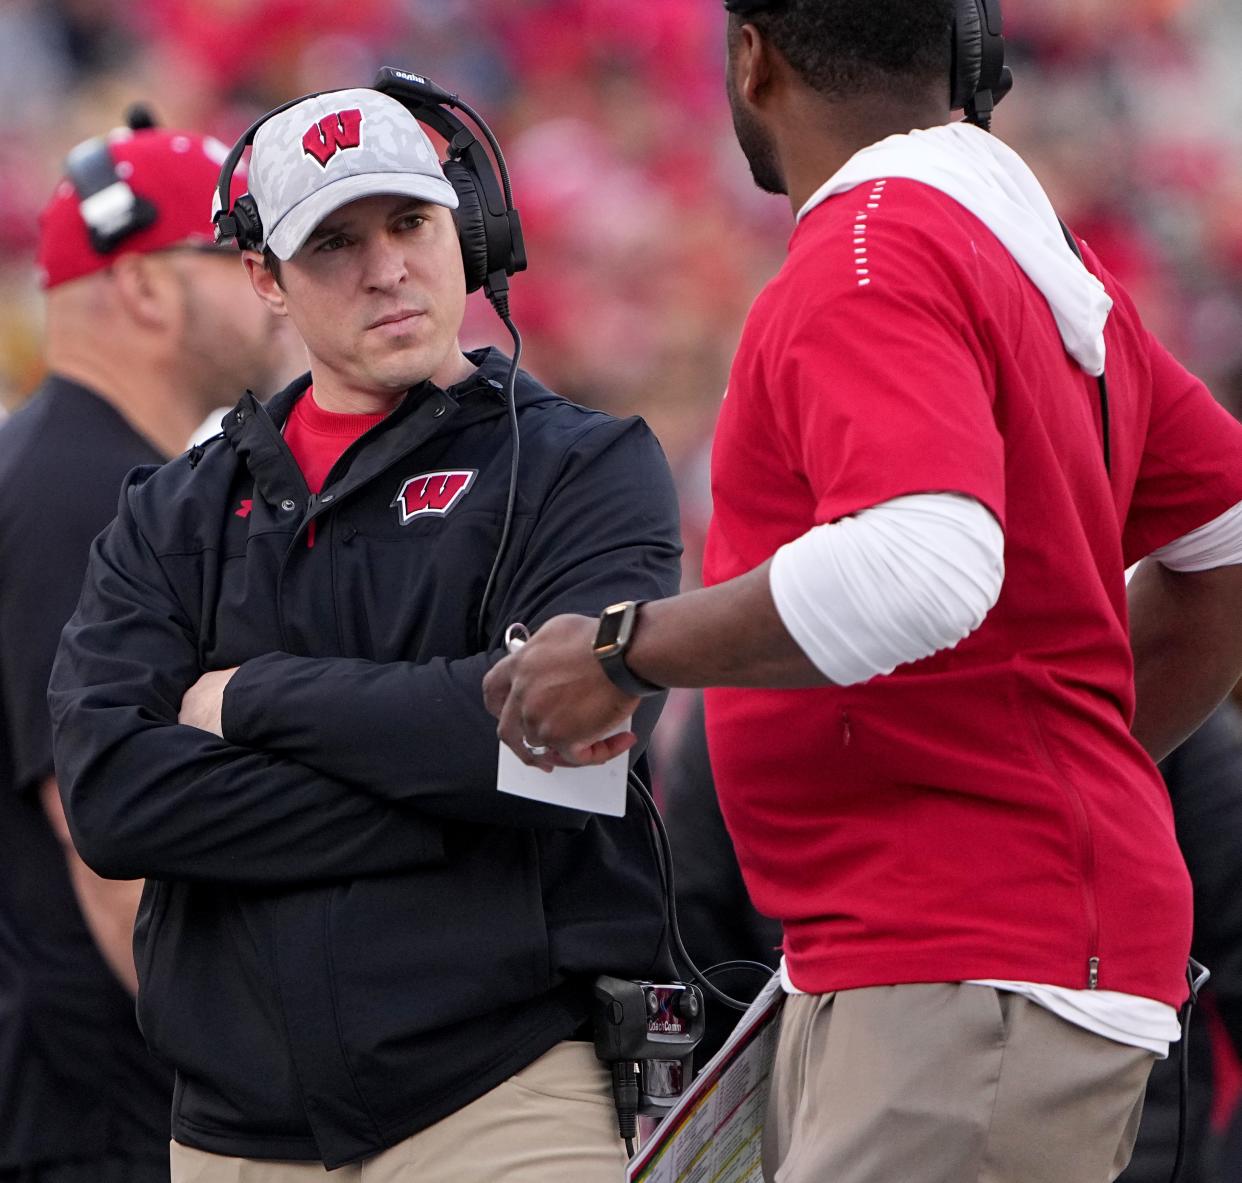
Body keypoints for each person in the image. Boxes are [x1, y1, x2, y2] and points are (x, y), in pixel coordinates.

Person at [482, 2, 1242, 1180]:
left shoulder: (872, 245)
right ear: (967, 55)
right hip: (953, 960)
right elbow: (1227, 541)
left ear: (753, 56)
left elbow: (920, 561)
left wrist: (620, 653)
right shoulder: (1031, 253)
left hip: (961, 973)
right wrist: (1063, 769)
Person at [48, 85, 681, 1182]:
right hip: (232, 1135)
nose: (386, 267)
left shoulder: (586, 467)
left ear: (468, 231)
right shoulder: (171, 513)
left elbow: (571, 744)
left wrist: (253, 699)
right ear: (266, 280)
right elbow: (113, 799)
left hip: (505, 1100)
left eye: (410, 224)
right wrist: (450, 794)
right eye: (334, 241)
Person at [0, 113, 292, 1183]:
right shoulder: (84, 489)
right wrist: (269, 1076)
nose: (275, 284)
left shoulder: (82, 470)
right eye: (241, 252)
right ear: (147, 286)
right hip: (104, 1104)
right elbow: (100, 835)